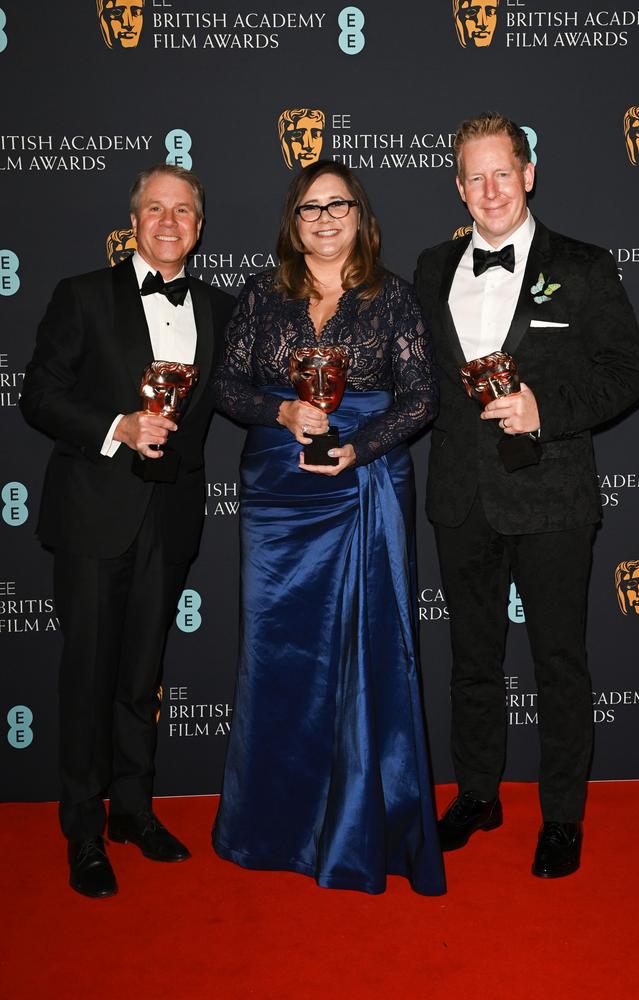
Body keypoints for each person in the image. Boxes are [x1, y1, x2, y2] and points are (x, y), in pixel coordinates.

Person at [414, 112, 639, 878]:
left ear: (529, 174)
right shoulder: (428, 268)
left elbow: (627, 371)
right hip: (461, 498)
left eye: (502, 173)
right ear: (458, 186)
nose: (489, 190)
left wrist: (547, 409)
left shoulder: (582, 265)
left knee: (558, 661)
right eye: (474, 177)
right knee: (472, 661)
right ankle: (479, 793)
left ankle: (563, 816)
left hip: (550, 497)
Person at [211, 159, 445, 896]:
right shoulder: (262, 293)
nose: (324, 218)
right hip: (279, 496)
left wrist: (360, 446)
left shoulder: (393, 298)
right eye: (310, 207)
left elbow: (421, 399)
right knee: (277, 655)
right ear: (293, 219)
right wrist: (278, 411)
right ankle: (271, 825)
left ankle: (359, 823)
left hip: (361, 487)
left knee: (369, 654)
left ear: (360, 215)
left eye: (337, 204)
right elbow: (224, 383)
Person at [20, 164, 235, 898]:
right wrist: (116, 425)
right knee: (87, 677)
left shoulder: (219, 307)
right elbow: (39, 395)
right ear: (134, 221)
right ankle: (83, 829)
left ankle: (135, 811)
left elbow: (245, 395)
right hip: (91, 515)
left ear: (199, 229)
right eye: (155, 209)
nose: (169, 222)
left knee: (143, 676)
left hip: (169, 519)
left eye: (183, 211)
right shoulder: (82, 295)